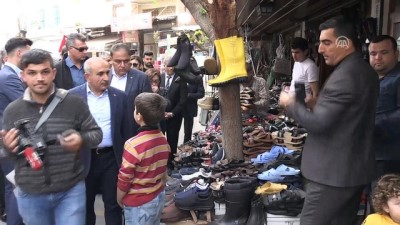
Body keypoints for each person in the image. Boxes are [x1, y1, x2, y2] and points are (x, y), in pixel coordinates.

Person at [279, 15, 379, 225]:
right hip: (350, 171)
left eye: (326, 43)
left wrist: (291, 104)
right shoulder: (364, 71)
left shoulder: (345, 76)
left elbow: (318, 124)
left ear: (345, 43)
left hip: (332, 175)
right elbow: (347, 115)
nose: (321, 50)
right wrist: (318, 105)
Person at [0, 49, 102, 225]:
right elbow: (7, 155)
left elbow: (96, 134)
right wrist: (7, 147)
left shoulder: (73, 102)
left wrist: (81, 139)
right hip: (30, 193)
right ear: (23, 76)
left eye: (45, 71)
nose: (39, 78)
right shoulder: (13, 111)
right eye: (32, 73)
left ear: (53, 73)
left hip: (70, 190)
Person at [69, 57, 132, 225]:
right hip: (84, 159)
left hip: (111, 159)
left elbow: (127, 132)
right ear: (87, 76)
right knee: (85, 206)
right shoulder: (71, 97)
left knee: (113, 205)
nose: (106, 77)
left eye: (107, 73)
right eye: (100, 74)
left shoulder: (120, 97)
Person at [117, 92, 170, 225]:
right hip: (157, 197)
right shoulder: (163, 139)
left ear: (139, 116)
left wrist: (119, 198)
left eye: (135, 109)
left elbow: (125, 178)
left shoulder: (133, 145)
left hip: (138, 203)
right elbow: (163, 172)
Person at [0, 37, 33, 225]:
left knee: (11, 186)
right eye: (29, 53)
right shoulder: (8, 77)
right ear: (19, 53)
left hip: (9, 140)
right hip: (13, 140)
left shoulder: (7, 75)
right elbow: (26, 106)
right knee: (17, 186)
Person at [368, 35, 400, 177]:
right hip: (368, 152)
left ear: (396, 54)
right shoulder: (370, 78)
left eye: (384, 52)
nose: (378, 58)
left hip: (389, 156)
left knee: (380, 196)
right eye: (373, 54)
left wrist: (370, 124)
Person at [109, 43, 152, 136]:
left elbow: (148, 108)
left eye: (126, 61)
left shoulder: (141, 78)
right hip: (110, 131)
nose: (122, 65)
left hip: (133, 131)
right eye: (118, 61)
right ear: (111, 59)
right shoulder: (104, 76)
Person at [160, 57, 188, 168]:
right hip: (160, 116)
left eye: (172, 66)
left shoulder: (181, 79)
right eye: (168, 65)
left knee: (172, 140)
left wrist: (172, 113)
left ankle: (171, 164)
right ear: (164, 66)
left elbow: (183, 99)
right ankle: (161, 163)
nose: (170, 68)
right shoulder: (160, 78)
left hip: (174, 116)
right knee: (160, 141)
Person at [289, 37, 319, 109]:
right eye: (292, 52)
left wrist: (313, 110)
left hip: (303, 107)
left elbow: (315, 93)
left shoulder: (310, 66)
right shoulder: (296, 62)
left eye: (297, 52)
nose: (294, 56)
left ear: (305, 51)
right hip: (292, 104)